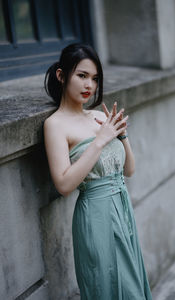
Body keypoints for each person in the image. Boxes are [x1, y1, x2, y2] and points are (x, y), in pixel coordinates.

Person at [44, 43, 152, 300]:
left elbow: (130, 169)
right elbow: (63, 184)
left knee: (133, 287)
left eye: (94, 78)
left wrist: (121, 135)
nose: (89, 86)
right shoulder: (55, 125)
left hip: (122, 209)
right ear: (61, 76)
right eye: (81, 76)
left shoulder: (99, 117)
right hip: (95, 216)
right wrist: (100, 141)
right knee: (106, 287)